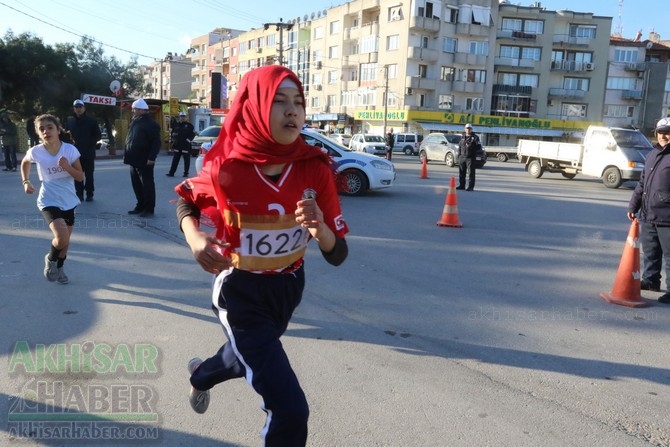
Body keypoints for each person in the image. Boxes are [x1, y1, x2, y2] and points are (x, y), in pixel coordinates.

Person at [174, 65, 349, 446]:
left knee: (243, 359)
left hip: (288, 288)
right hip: (239, 292)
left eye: (298, 102)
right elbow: (186, 201)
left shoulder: (314, 168)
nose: (293, 111)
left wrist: (322, 232)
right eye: (279, 101)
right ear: (254, 107)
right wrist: (195, 239)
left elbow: (338, 255)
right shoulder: (227, 168)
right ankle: (206, 375)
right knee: (289, 408)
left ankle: (200, 375)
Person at [20, 114, 84, 284]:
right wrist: (26, 181)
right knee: (61, 236)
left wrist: (67, 167)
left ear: (58, 129)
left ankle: (60, 267)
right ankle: (50, 259)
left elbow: (80, 177)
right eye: (42, 129)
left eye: (49, 127)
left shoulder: (69, 150)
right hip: (48, 200)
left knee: (66, 241)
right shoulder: (36, 151)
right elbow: (25, 162)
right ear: (38, 134)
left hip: (69, 200)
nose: (46, 131)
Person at [627, 117, 670, 303]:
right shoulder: (652, 154)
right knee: (651, 251)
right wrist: (633, 205)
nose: (664, 136)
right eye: (661, 132)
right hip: (648, 213)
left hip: (668, 216)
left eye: (667, 132)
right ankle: (651, 280)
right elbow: (642, 183)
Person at [123, 98, 160, 217]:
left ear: (142, 110)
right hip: (134, 159)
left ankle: (149, 209)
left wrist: (151, 157)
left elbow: (156, 143)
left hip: (145, 160)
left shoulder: (151, 124)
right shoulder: (135, 121)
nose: (133, 111)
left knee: (147, 184)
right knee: (137, 185)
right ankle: (140, 206)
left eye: (135, 109)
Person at [65, 99, 101, 201]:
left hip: (88, 152)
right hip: (75, 154)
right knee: (77, 175)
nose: (78, 109)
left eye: (80, 107)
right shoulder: (70, 121)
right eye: (76, 107)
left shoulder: (92, 121)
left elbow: (97, 135)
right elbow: (66, 136)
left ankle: (90, 193)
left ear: (84, 108)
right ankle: (79, 194)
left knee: (89, 175)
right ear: (74, 109)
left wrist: (89, 143)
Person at [166, 111, 196, 177]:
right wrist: (173, 139)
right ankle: (171, 173)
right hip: (177, 145)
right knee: (175, 160)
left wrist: (188, 140)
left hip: (185, 145)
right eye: (181, 116)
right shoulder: (176, 125)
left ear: (186, 117)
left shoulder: (189, 126)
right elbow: (172, 133)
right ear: (179, 117)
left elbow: (193, 134)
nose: (182, 118)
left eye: (184, 116)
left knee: (186, 160)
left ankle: (186, 173)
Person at [457, 123, 482, 191]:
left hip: (470, 158)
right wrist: (459, 155)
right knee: (462, 172)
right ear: (465, 129)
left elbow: (479, 147)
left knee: (471, 173)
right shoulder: (462, 136)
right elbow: (460, 146)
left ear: (471, 129)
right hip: (462, 157)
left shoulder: (475, 137)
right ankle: (462, 185)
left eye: (469, 128)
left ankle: (471, 187)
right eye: (467, 128)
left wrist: (472, 147)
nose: (468, 130)